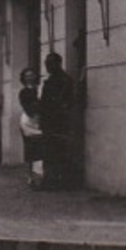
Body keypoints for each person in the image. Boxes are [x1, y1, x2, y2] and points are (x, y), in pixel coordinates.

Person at [40, 52, 77, 190]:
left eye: (50, 63)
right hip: (49, 121)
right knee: (49, 152)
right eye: (46, 63)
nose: (47, 66)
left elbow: (67, 102)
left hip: (59, 122)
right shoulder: (49, 81)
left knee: (60, 152)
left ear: (58, 63)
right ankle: (50, 180)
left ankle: (61, 181)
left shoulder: (65, 81)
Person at [18, 68, 45, 190]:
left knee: (40, 149)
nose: (30, 77)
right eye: (27, 75)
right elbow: (28, 108)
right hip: (29, 122)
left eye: (32, 75)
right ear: (23, 78)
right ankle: (32, 177)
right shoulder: (24, 92)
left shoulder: (40, 88)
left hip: (40, 120)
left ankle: (39, 176)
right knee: (31, 150)